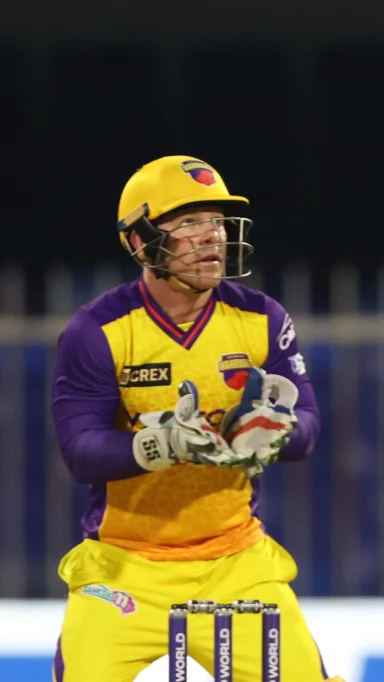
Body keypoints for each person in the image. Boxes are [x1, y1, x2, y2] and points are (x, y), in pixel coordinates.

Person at [50, 156, 341, 681]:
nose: (211, 237)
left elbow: (310, 428)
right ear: (139, 242)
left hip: (236, 563)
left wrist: (277, 432)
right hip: (124, 567)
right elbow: (79, 451)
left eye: (217, 222)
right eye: (188, 223)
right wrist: (157, 446)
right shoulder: (98, 330)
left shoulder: (261, 318)